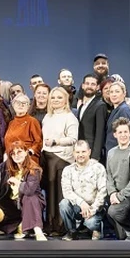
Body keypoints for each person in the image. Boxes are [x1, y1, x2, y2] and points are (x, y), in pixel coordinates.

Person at [42, 87, 79, 235]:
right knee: (50, 193)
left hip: (62, 159)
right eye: (53, 97)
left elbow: (73, 139)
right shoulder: (47, 117)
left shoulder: (70, 117)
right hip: (47, 158)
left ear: (66, 100)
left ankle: (61, 225)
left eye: (59, 97)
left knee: (59, 193)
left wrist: (56, 141)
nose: (55, 100)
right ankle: (50, 224)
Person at [0, 141, 47, 240]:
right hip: (13, 204)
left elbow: (29, 190)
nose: (16, 155)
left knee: (30, 197)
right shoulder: (8, 166)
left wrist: (17, 182)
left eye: (19, 152)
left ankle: (37, 230)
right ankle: (22, 226)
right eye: (13, 153)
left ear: (26, 152)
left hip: (31, 203)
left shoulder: (34, 169)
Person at [106, 117, 130, 240]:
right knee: (121, 237)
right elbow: (109, 175)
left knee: (113, 211)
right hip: (117, 194)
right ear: (115, 134)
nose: (123, 135)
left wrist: (120, 196)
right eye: (120, 132)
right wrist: (112, 193)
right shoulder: (111, 152)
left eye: (125, 132)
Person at [59, 140, 107, 240]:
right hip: (77, 206)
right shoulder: (67, 170)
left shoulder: (98, 168)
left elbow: (102, 192)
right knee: (64, 204)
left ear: (89, 152)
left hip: (95, 207)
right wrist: (81, 203)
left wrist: (92, 209)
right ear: (73, 153)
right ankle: (72, 232)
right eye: (77, 152)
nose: (80, 155)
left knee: (90, 223)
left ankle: (96, 228)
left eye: (83, 152)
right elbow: (67, 192)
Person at [3, 93, 42, 165]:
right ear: (13, 105)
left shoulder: (32, 121)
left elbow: (38, 141)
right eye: (18, 103)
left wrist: (29, 152)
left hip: (27, 160)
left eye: (24, 103)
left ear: (28, 106)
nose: (21, 105)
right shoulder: (11, 123)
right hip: (12, 160)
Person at [77, 74, 108, 162]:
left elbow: (100, 133)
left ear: (97, 87)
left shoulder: (100, 106)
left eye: (93, 84)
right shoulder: (81, 106)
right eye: (87, 83)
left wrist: (95, 157)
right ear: (83, 86)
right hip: (80, 153)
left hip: (92, 154)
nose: (89, 86)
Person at [103, 81, 130, 155]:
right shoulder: (115, 110)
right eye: (111, 92)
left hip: (120, 153)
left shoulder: (124, 110)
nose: (114, 94)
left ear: (124, 94)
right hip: (112, 151)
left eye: (117, 91)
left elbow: (125, 135)